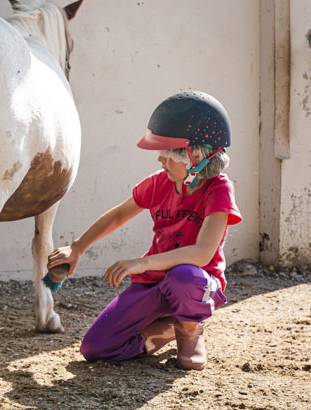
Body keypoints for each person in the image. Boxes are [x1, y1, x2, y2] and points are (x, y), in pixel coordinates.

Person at [47, 91, 241, 370]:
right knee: (95, 348)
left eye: (167, 154)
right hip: (154, 283)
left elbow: (201, 253)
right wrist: (77, 247)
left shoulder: (219, 190)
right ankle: (163, 330)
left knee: (184, 277)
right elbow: (118, 215)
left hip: (196, 283)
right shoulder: (159, 183)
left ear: (195, 156)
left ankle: (189, 333)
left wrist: (142, 262)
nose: (160, 160)